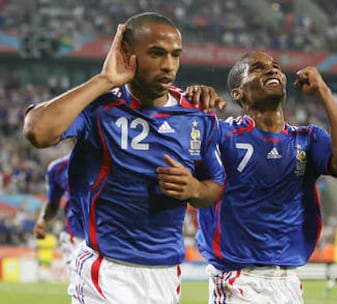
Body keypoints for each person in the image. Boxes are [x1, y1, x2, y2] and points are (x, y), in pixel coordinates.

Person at [23, 12, 225, 304]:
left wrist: (195, 189)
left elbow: (215, 185)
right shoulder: (100, 106)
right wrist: (105, 79)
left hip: (165, 274)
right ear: (128, 54)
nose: (168, 65)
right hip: (106, 271)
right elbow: (37, 132)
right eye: (157, 54)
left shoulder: (197, 114)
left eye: (175, 55)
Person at [193, 51, 337, 303]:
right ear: (238, 93)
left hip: (289, 282)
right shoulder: (221, 135)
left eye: (275, 66)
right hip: (238, 280)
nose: (272, 70)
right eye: (258, 68)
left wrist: (323, 92)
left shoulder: (307, 138)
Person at [34, 154, 84, 288]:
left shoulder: (111, 160)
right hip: (76, 237)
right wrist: (43, 220)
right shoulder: (58, 168)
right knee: (82, 287)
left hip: (107, 237)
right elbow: (53, 203)